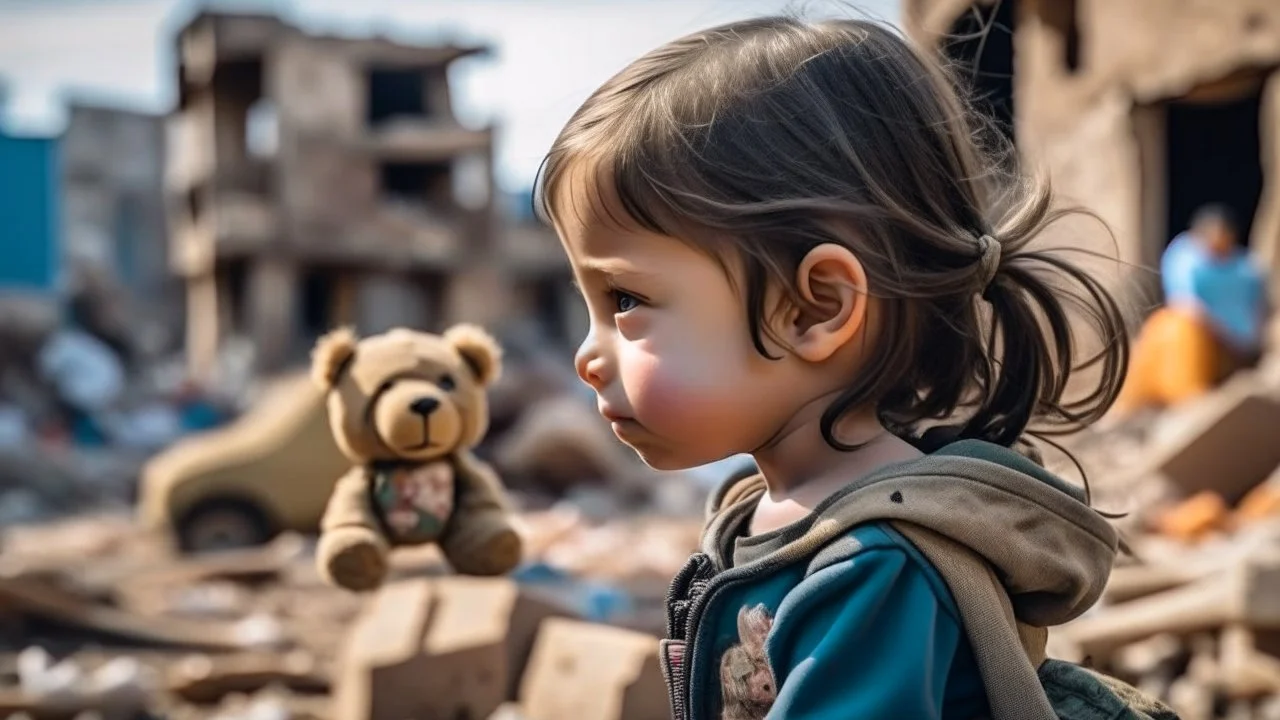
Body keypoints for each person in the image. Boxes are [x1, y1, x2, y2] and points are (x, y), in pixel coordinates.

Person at [536, 16, 1136, 720]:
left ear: (815, 309)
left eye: (626, 301)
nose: (585, 354)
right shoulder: (767, 516)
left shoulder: (874, 568)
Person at [1113, 204, 1269, 416]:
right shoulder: (1186, 255)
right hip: (1206, 339)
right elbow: (1185, 304)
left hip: (1237, 350)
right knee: (1169, 327)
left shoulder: (1246, 268)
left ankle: (1190, 404)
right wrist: (1220, 331)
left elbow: (1258, 312)